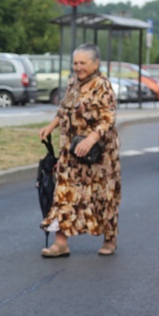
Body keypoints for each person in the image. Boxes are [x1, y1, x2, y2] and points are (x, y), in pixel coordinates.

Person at [39, 43, 121, 257]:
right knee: (64, 193)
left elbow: (108, 118)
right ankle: (60, 242)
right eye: (75, 63)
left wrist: (92, 139)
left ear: (96, 63)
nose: (78, 67)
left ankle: (109, 239)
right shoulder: (72, 83)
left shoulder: (102, 85)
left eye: (83, 63)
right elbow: (63, 110)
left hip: (99, 156)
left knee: (103, 197)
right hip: (71, 152)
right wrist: (50, 127)